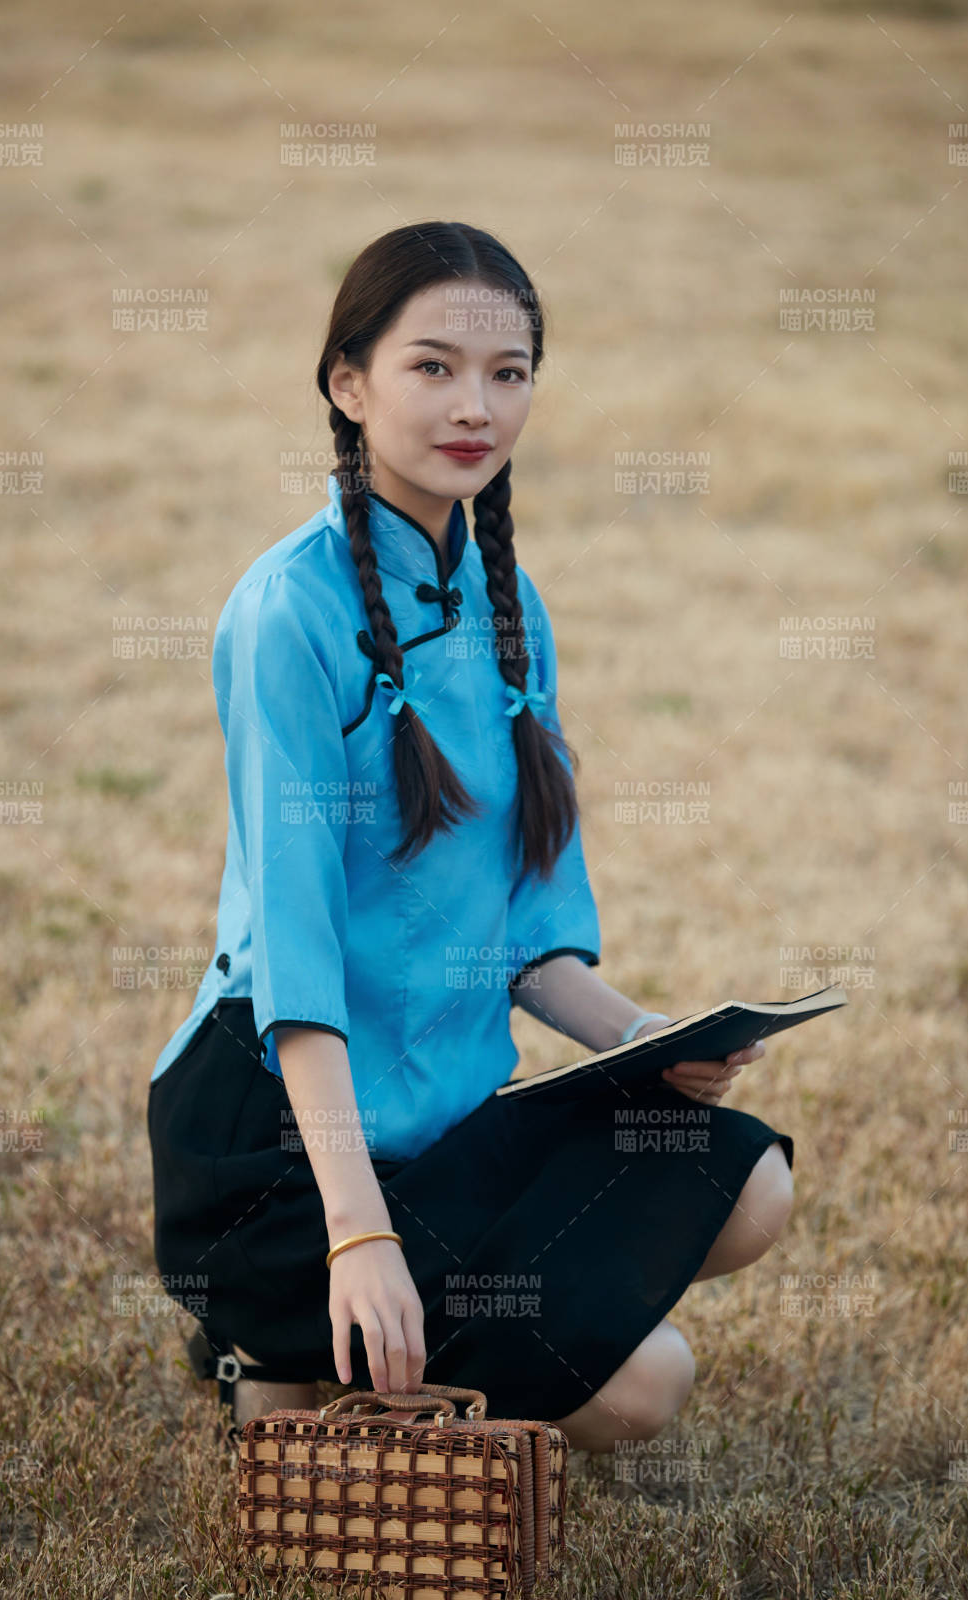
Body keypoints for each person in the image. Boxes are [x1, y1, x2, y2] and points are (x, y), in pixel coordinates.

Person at [146, 220, 794, 1450]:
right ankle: (283, 1322)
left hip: (440, 1122)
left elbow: (534, 939)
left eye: (508, 373)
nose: (474, 407)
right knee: (644, 1384)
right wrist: (359, 1232)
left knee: (748, 1181)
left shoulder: (508, 601)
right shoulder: (287, 609)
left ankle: (323, 1355)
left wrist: (647, 1039)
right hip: (284, 1142)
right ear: (348, 383)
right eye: (430, 366)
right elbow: (296, 971)